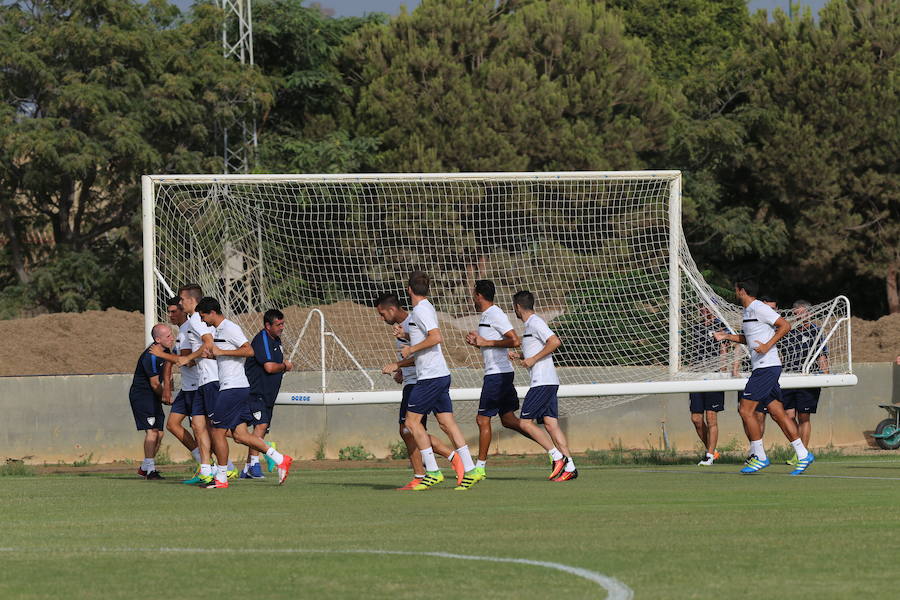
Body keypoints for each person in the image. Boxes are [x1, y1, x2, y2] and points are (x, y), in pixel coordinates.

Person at [380, 271, 481, 491]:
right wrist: (407, 337)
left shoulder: (420, 310)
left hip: (430, 376)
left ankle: (433, 472)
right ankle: (471, 469)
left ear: (409, 290)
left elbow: (436, 337)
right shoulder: (425, 308)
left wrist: (410, 350)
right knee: (447, 423)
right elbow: (425, 336)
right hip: (439, 374)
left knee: (410, 424)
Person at [714, 280, 815, 475]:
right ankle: (803, 454)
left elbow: (785, 326)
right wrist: (726, 336)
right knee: (778, 413)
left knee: (745, 410)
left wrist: (768, 346)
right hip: (764, 367)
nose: (735, 292)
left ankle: (759, 456)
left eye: (736, 289)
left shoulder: (759, 308)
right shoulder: (748, 312)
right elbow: (750, 340)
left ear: (742, 291)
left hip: (766, 368)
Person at [196, 297, 294, 489]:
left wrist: (221, 352)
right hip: (234, 387)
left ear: (212, 313)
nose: (202, 320)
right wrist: (214, 355)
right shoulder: (218, 330)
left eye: (203, 316)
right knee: (240, 435)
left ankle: (221, 478)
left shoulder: (230, 328)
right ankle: (280, 459)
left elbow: (249, 351)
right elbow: (228, 355)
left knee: (216, 430)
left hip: (233, 388)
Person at [464, 280, 533, 479]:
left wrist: (486, 342)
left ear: (478, 295)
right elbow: (493, 343)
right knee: (508, 420)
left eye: (473, 294)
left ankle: (480, 468)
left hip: (497, 375)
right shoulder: (487, 315)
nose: (472, 297)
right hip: (501, 373)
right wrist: (479, 343)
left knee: (482, 419)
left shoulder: (495, 314)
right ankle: (553, 449)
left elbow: (514, 340)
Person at [508, 290, 577, 482]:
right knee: (551, 425)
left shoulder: (536, 322)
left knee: (524, 422)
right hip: (548, 381)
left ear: (517, 307)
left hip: (543, 382)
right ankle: (570, 466)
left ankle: (556, 456)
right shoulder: (530, 326)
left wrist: (532, 360)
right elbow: (536, 351)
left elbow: (554, 342)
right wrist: (520, 356)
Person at [241, 309, 293, 479]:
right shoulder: (262, 339)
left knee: (256, 431)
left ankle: (248, 468)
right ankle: (254, 465)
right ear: (267, 325)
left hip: (268, 394)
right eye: (278, 324)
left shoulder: (276, 339)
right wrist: (285, 366)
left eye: (283, 324)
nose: (282, 327)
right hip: (256, 392)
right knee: (259, 426)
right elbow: (269, 367)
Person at [780, 299, 829, 465]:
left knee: (804, 416)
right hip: (788, 378)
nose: (799, 317)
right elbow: (782, 355)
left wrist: (826, 374)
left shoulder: (816, 331)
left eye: (801, 314)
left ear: (809, 314)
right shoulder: (788, 331)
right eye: (796, 314)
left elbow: (822, 355)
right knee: (787, 416)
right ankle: (800, 449)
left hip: (808, 379)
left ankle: (802, 454)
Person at [161, 297, 203, 472]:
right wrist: (167, 386)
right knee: (172, 424)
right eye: (169, 312)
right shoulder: (181, 331)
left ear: (183, 311)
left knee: (209, 430)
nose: (170, 315)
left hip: (196, 387)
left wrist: (163, 355)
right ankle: (203, 462)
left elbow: (188, 361)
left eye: (174, 311)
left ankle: (226, 466)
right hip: (187, 388)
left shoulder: (188, 330)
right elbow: (175, 360)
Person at [129, 323, 176, 480]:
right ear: (157, 339)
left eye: (171, 334)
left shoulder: (166, 351)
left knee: (160, 433)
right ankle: (150, 470)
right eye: (168, 336)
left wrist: (169, 390)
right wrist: (166, 397)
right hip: (142, 395)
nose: (172, 338)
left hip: (154, 395)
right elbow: (155, 383)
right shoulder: (151, 356)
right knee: (152, 432)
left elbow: (168, 372)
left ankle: (144, 467)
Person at [689, 306, 727, 466]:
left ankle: (709, 455)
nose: (705, 311)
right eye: (702, 308)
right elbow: (692, 350)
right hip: (697, 376)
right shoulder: (695, 328)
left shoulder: (721, 326)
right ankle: (712, 451)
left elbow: (724, 348)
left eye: (707, 308)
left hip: (714, 376)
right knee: (696, 419)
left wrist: (723, 369)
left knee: (711, 417)